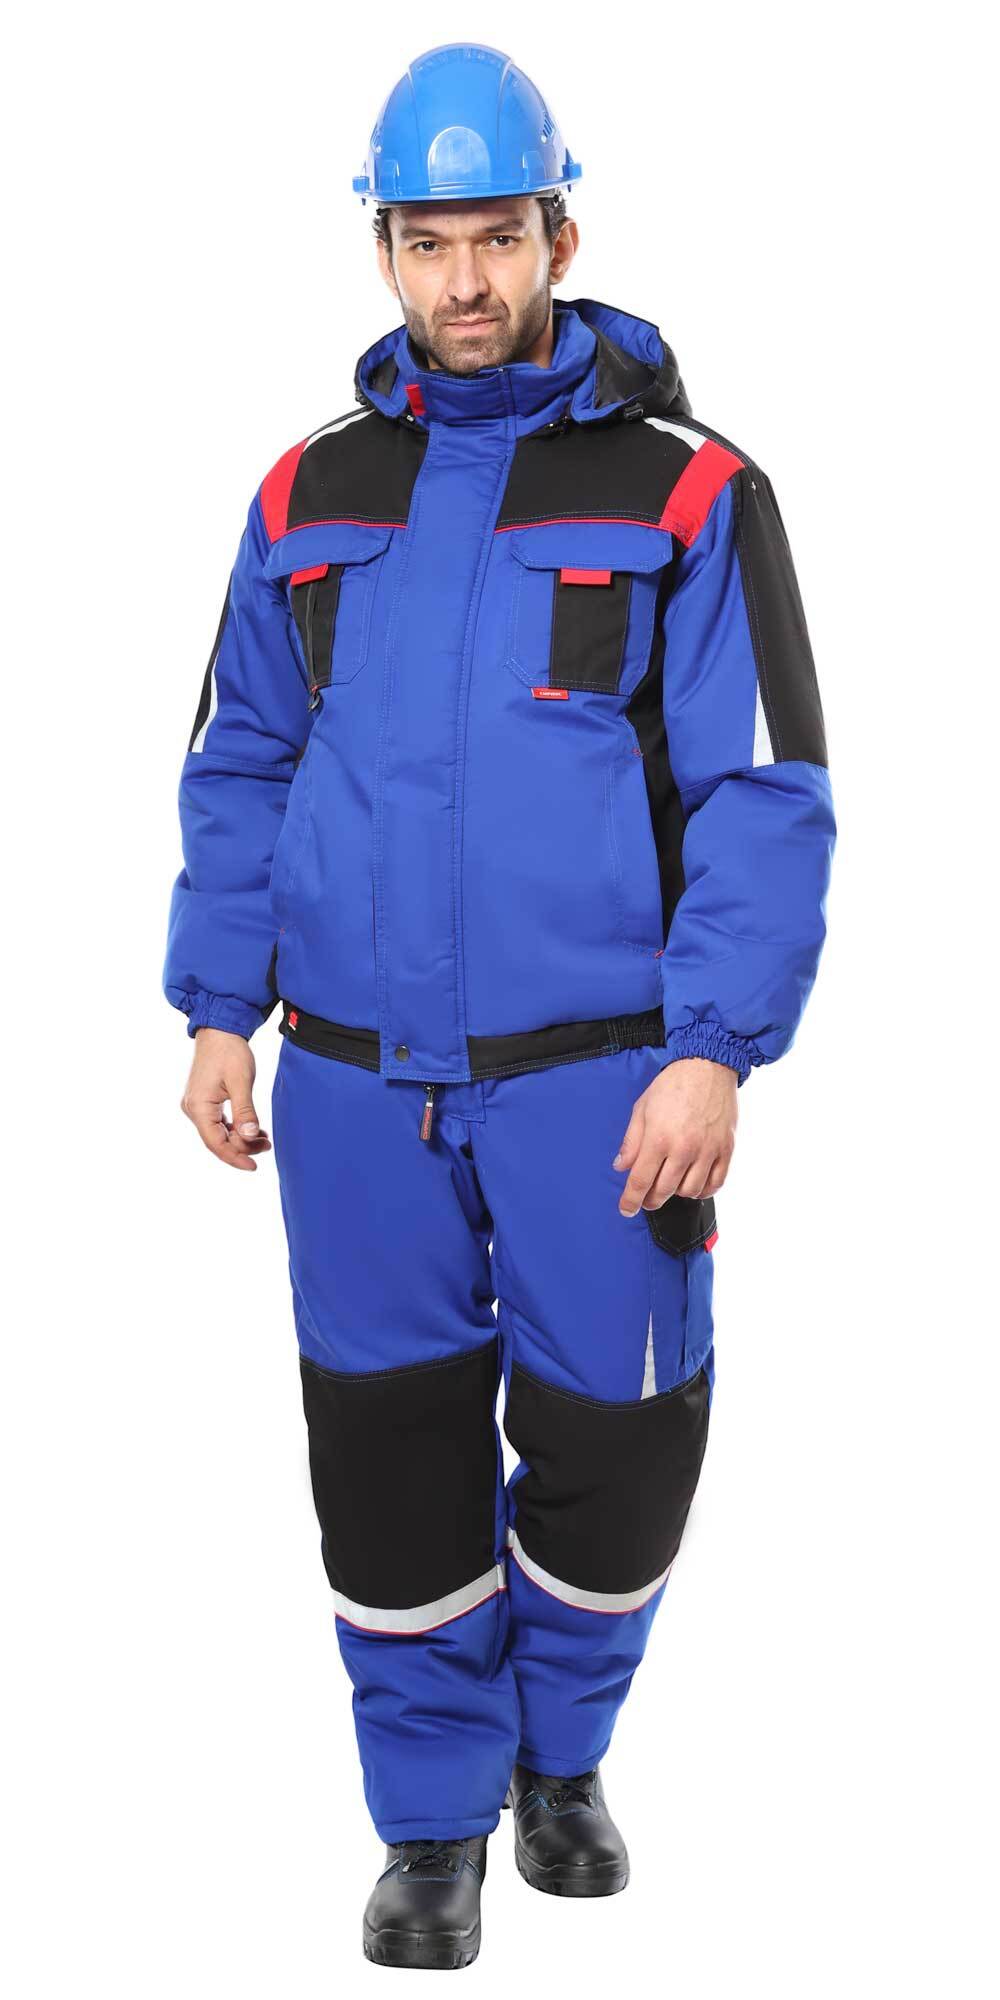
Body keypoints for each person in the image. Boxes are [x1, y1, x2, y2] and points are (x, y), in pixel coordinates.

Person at [163, 40, 835, 1971]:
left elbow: (763, 789)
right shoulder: (306, 495)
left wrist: (713, 1047)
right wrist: (217, 1006)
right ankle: (433, 1821)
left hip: (598, 1084)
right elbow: (242, 759)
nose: (463, 282)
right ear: (383, 251)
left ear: (562, 236)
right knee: (387, 1458)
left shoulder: (692, 493)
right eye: (425, 243)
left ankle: (563, 1751)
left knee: (623, 1445)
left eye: (496, 239)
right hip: (355, 1085)